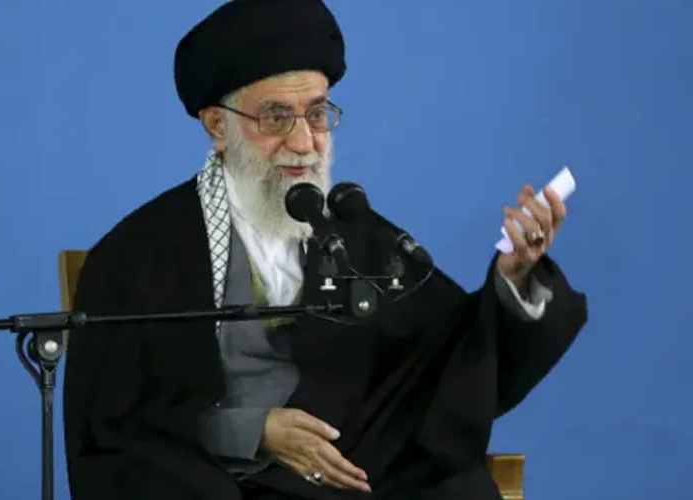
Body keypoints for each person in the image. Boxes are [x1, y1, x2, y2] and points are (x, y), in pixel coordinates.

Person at [61, 0, 588, 499]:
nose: (303, 142)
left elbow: (445, 363)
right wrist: (253, 430)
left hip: (354, 478)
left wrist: (514, 278)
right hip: (225, 484)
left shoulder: (353, 231)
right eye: (276, 117)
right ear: (218, 125)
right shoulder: (139, 254)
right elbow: (116, 423)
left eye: (315, 115)